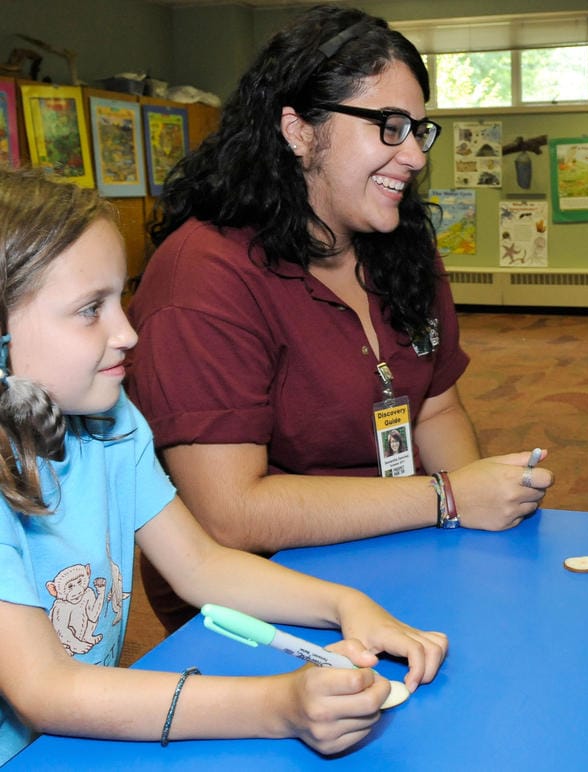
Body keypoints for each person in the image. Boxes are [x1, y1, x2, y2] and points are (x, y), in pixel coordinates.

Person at [0, 166, 447, 763]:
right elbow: (45, 689)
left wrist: (345, 604)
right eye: (90, 309)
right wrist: (276, 708)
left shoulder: (111, 421)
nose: (128, 332)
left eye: (120, 297)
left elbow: (201, 565)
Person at [126, 6, 554, 630]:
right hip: (264, 590)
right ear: (298, 130)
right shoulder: (204, 276)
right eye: (389, 125)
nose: (412, 155)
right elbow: (231, 514)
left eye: (418, 130)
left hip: (399, 538)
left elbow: (435, 407)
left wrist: (469, 534)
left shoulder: (403, 246)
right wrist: (450, 498)